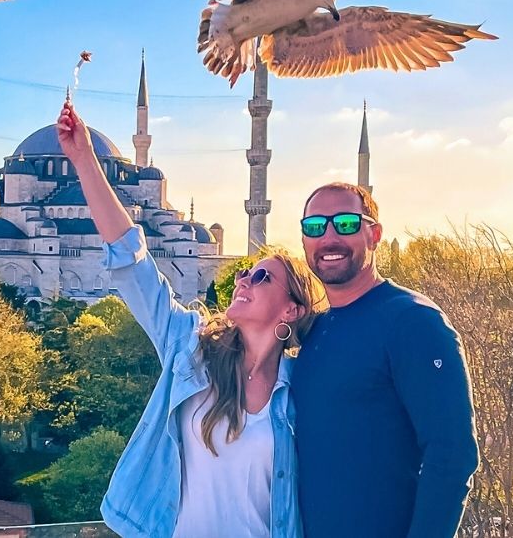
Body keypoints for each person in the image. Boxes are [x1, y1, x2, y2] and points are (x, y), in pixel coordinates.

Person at [56, 101, 326, 538]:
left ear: (290, 309)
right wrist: (85, 159)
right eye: (243, 271)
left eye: (261, 276)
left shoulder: (301, 392)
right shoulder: (191, 349)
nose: (242, 278)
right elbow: (133, 261)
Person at [291, 182, 479, 538]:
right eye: (315, 226)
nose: (329, 237)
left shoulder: (412, 321)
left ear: (374, 234)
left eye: (345, 223)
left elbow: (451, 455)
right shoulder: (317, 330)